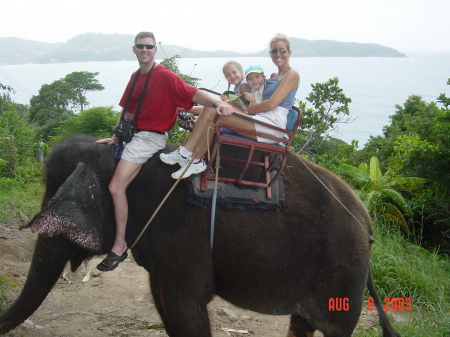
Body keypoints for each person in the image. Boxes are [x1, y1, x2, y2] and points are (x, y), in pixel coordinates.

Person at [96, 31, 234, 271]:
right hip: (134, 135)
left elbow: (192, 93)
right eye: (140, 46)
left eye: (149, 46)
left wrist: (218, 103)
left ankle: (120, 245)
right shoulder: (136, 76)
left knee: (116, 186)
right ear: (134, 49)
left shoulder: (164, 76)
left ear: (155, 50)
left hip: (149, 137)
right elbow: (129, 110)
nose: (144, 50)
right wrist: (116, 135)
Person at [160, 33, 299, 179]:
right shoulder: (274, 75)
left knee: (220, 118)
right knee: (213, 106)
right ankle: (185, 153)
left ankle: (196, 161)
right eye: (274, 51)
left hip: (272, 125)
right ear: (270, 53)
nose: (278, 54)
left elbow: (271, 103)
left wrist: (249, 109)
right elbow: (254, 97)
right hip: (260, 118)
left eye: (282, 50)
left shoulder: (291, 74)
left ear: (289, 52)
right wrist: (224, 103)